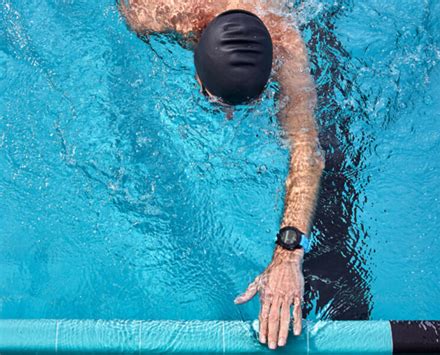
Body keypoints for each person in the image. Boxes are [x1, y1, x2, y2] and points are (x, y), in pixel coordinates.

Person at [119, 0, 325, 350]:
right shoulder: (150, 12)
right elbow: (307, 148)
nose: (227, 117)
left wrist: (288, 255)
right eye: (218, 103)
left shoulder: (285, 41)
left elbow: (308, 152)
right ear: (199, 77)